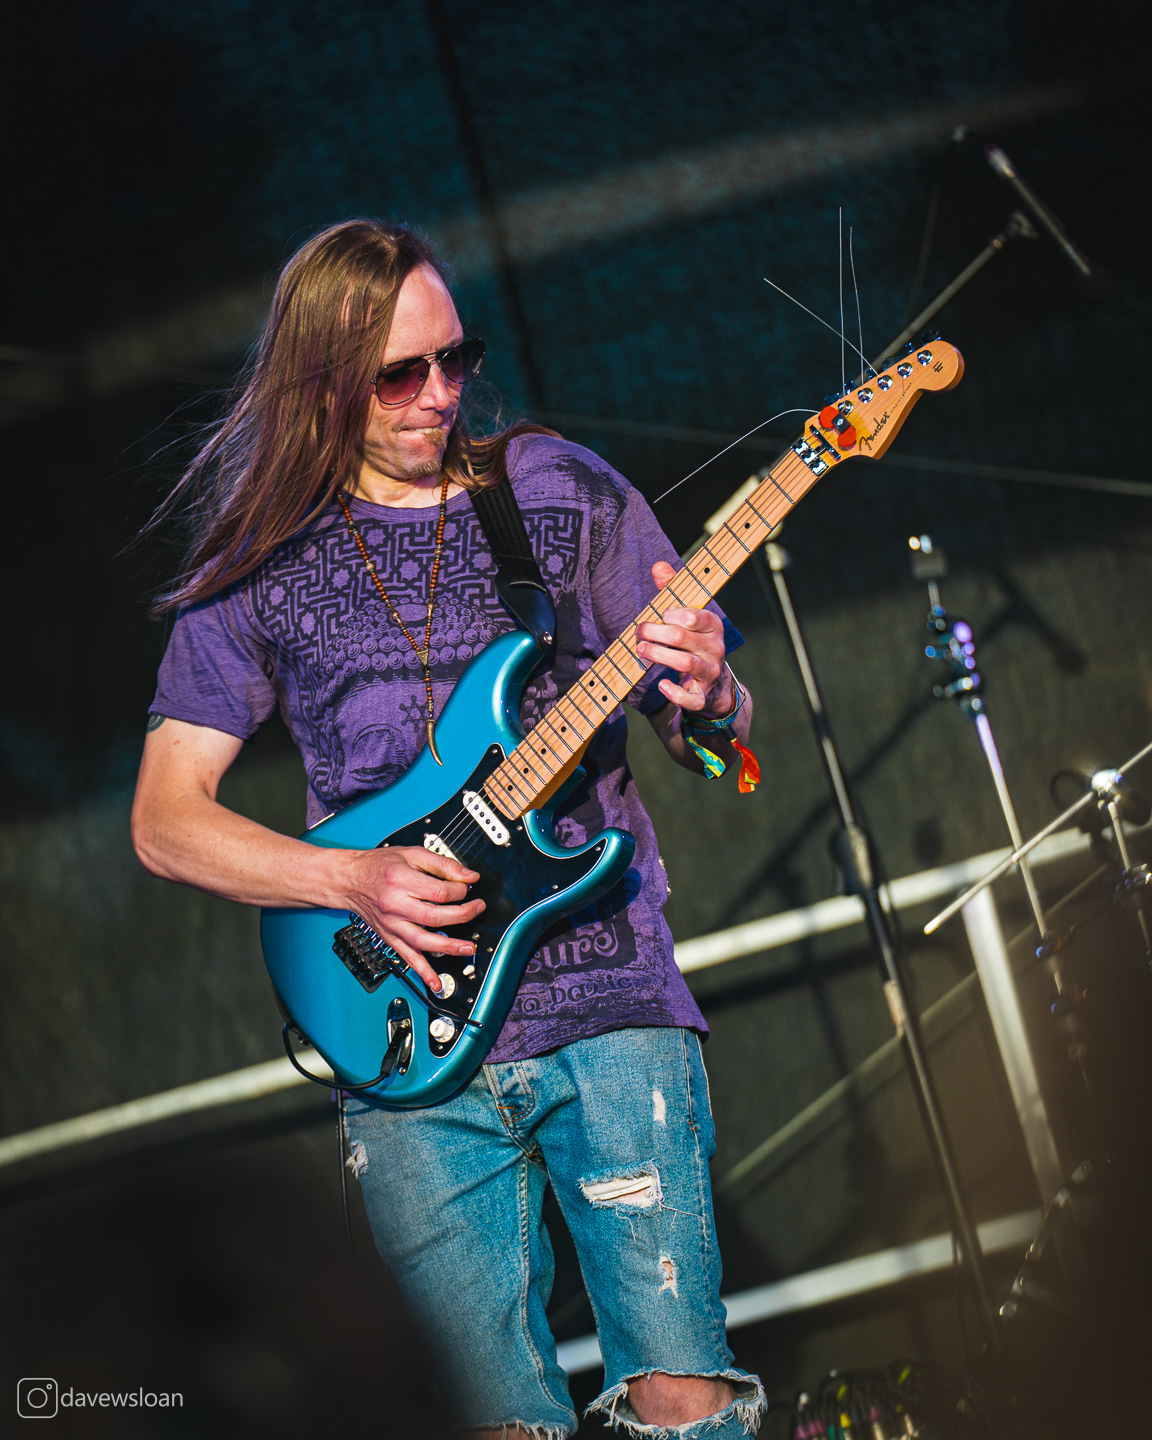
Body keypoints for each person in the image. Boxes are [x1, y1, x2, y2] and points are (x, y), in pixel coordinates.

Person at [132, 218, 765, 1439]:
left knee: (682, 1399)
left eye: (455, 359)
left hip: (606, 1006)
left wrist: (714, 695)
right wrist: (348, 880)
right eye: (399, 375)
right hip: (400, 1039)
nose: (440, 394)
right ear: (321, 381)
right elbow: (165, 823)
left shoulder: (556, 492)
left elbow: (716, 745)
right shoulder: (260, 563)